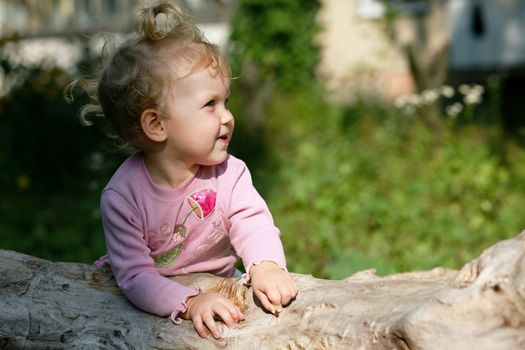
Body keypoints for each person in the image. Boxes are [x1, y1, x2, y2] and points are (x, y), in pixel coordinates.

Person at [71, 1, 297, 339]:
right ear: (156, 124)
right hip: (154, 301)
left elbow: (252, 224)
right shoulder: (123, 196)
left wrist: (266, 265)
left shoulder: (230, 174)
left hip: (221, 284)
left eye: (227, 101)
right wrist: (190, 302)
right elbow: (136, 276)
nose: (227, 117)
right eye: (210, 105)